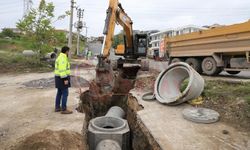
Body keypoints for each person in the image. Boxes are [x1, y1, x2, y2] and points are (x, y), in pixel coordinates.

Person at [54, 46, 72, 114]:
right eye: (68, 51)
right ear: (66, 51)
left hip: (58, 78)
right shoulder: (62, 58)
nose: (68, 53)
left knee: (59, 93)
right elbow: (62, 70)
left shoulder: (60, 57)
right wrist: (65, 79)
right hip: (62, 78)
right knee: (65, 93)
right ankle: (64, 109)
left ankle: (57, 107)